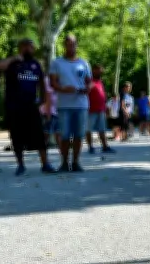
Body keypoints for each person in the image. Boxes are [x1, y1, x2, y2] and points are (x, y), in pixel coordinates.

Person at [0, 38, 57, 175]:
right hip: (14, 106)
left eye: (30, 47)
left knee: (39, 135)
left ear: (33, 49)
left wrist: (43, 100)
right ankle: (21, 165)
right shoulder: (13, 64)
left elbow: (42, 83)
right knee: (16, 136)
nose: (27, 49)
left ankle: (45, 164)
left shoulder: (36, 64)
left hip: (31, 106)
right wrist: (14, 58)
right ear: (20, 48)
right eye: (24, 46)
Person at [49, 34, 91, 172]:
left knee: (79, 135)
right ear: (64, 45)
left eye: (73, 44)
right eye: (68, 44)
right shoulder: (57, 63)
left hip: (81, 104)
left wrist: (85, 90)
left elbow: (89, 83)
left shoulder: (84, 63)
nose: (71, 46)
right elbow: (52, 82)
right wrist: (63, 89)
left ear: (76, 45)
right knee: (65, 135)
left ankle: (76, 162)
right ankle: (64, 163)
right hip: (64, 105)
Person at [86, 64, 113, 154]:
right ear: (93, 70)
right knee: (88, 129)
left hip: (101, 109)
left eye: (101, 70)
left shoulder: (100, 82)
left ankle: (105, 146)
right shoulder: (89, 81)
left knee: (102, 129)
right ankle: (90, 147)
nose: (101, 72)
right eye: (99, 70)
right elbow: (85, 93)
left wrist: (106, 108)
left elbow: (102, 96)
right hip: (91, 110)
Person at [41, 76, 60, 149]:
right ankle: (42, 147)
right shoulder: (48, 80)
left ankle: (62, 152)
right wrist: (48, 114)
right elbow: (48, 100)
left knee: (58, 132)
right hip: (49, 112)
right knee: (47, 132)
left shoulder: (61, 80)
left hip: (57, 112)